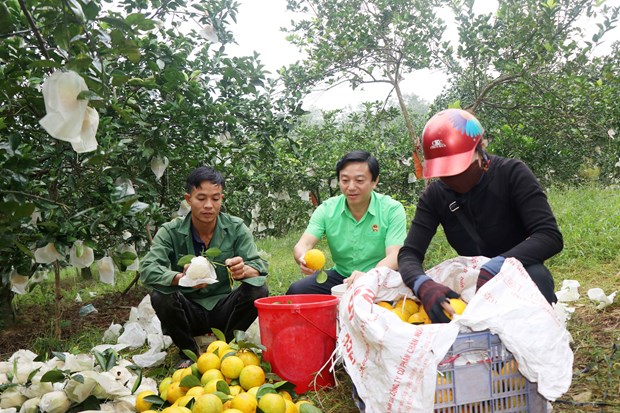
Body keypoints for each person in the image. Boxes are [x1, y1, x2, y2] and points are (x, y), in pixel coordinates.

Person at [398, 108, 563, 323]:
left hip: (518, 270)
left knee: (537, 275)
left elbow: (549, 235)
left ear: (481, 150)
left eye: (459, 167)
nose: (453, 177)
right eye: (445, 172)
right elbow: (409, 253)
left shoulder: (511, 174)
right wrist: (422, 284)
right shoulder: (436, 196)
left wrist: (500, 265)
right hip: (474, 280)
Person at [141, 166, 268, 366]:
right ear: (188, 199)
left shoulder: (235, 228)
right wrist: (180, 279)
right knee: (160, 294)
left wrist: (244, 270)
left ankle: (224, 347)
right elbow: (148, 268)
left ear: (221, 199)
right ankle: (188, 353)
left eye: (215, 198)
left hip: (223, 309)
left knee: (258, 289)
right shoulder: (170, 231)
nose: (209, 205)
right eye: (201, 198)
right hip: (188, 311)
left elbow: (259, 265)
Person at [287, 150, 407, 295]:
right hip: (342, 277)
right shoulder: (327, 209)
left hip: (380, 276)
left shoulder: (391, 209)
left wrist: (369, 276)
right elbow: (303, 244)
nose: (350, 187)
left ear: (374, 181)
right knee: (298, 290)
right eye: (345, 180)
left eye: (359, 181)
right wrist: (303, 258)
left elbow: (394, 256)